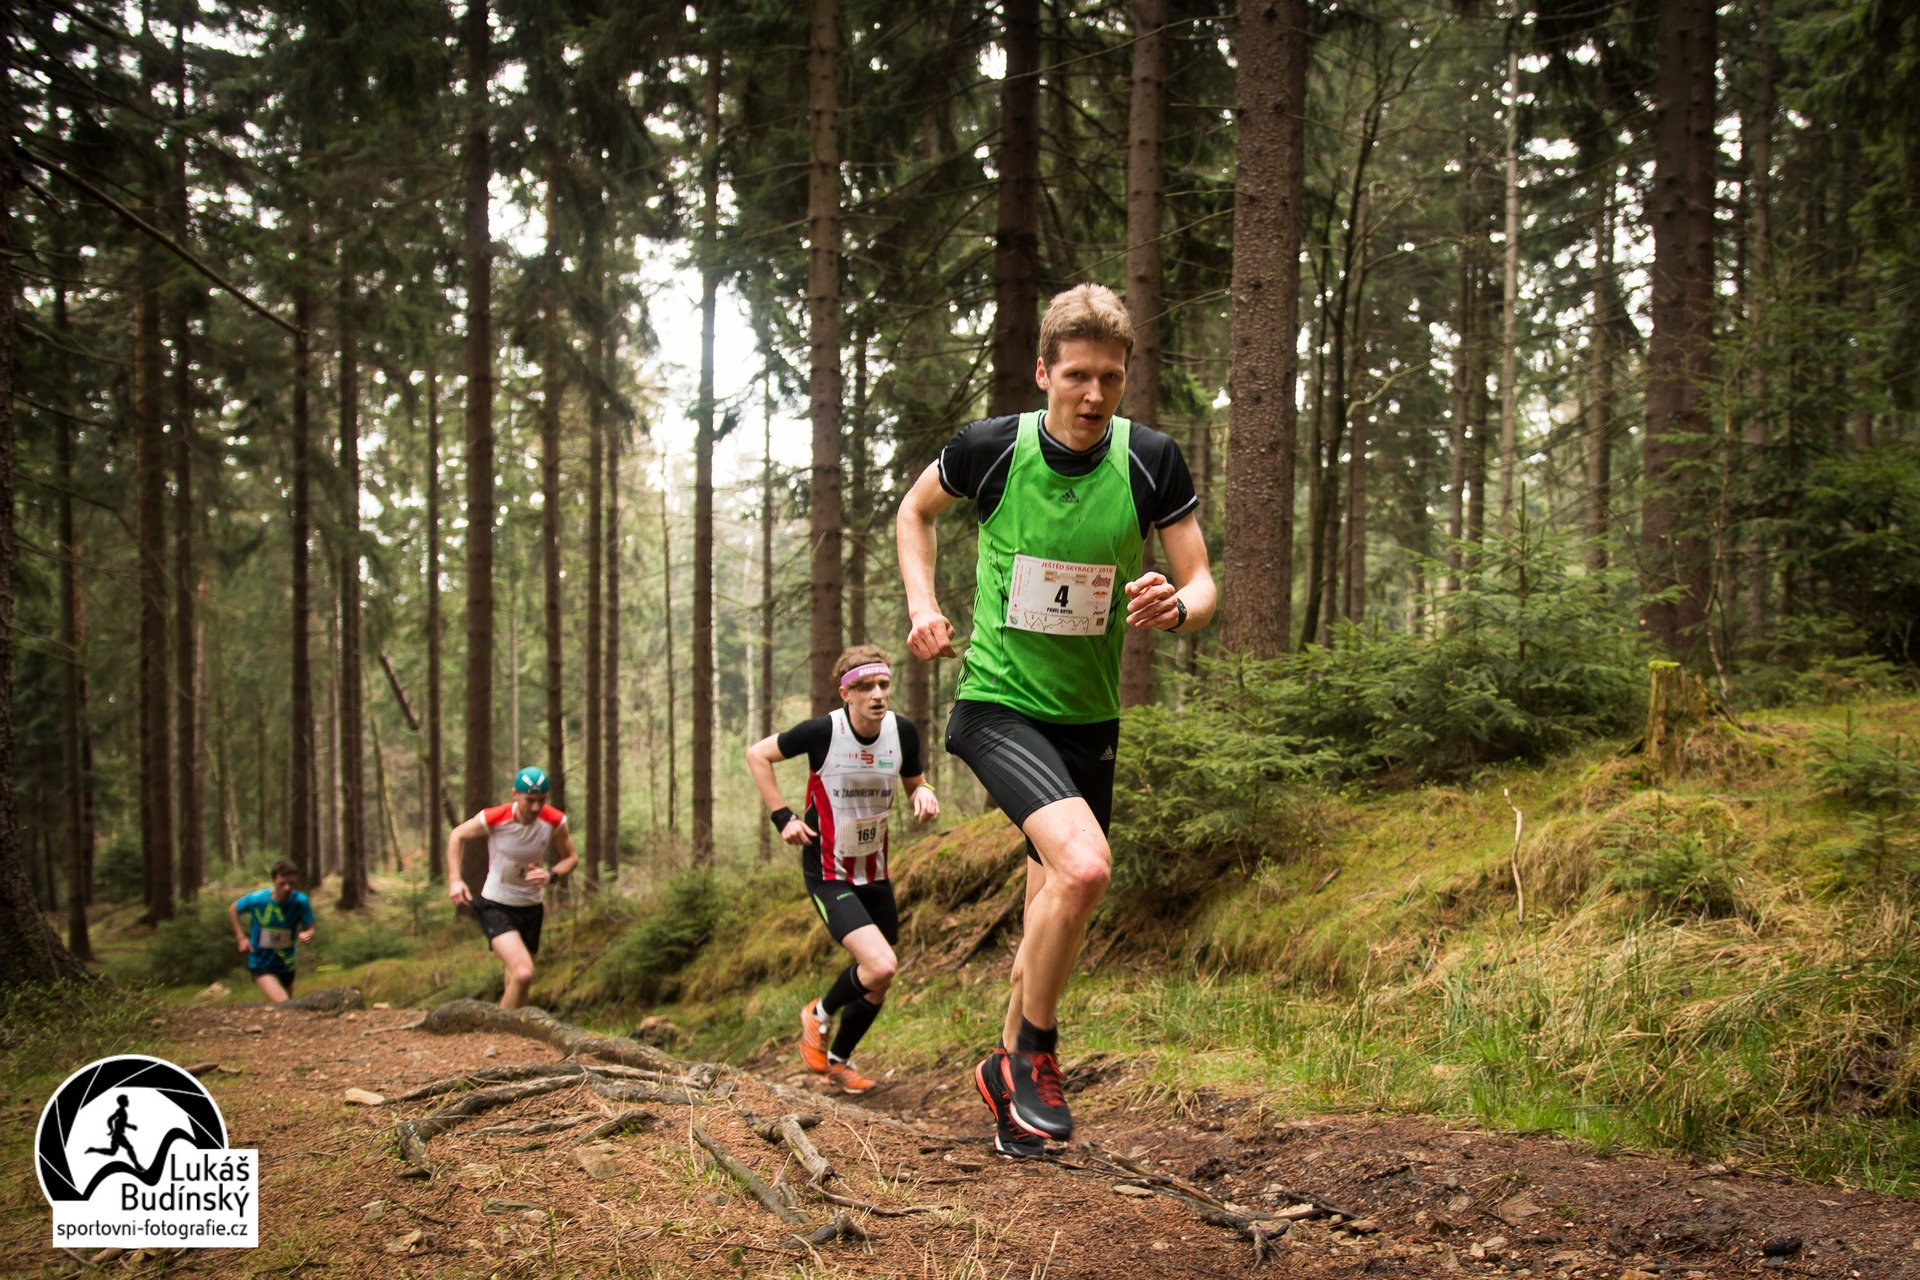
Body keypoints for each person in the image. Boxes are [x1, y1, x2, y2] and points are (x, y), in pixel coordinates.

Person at [896, 283, 1217, 1156]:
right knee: (1083, 871)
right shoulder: (992, 450)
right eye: (1076, 375)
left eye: (1110, 379)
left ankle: (1007, 1091)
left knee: (1049, 900)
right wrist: (924, 604)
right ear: (1043, 373)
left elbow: (1203, 582)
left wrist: (1176, 606)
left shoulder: (1152, 460)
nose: (1092, 396)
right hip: (998, 704)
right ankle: (1034, 1054)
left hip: (1089, 717)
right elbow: (914, 511)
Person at [744, 645, 940, 1094]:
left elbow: (915, 780)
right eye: (865, 687)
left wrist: (923, 793)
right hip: (828, 871)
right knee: (881, 964)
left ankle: (838, 1061)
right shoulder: (822, 732)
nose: (877, 695)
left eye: (884, 685)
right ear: (845, 693)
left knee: (877, 983)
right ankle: (818, 1014)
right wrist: (783, 817)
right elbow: (757, 755)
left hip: (875, 871)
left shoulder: (902, 732)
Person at [446, 766, 578, 1009]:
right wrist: (455, 879)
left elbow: (571, 857)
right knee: (523, 973)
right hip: (495, 905)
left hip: (531, 908)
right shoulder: (495, 817)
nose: (536, 808)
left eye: (541, 800)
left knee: (518, 984)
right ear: (515, 795)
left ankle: (517, 1041)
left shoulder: (555, 821)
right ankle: (495, 1034)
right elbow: (457, 836)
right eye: (530, 800)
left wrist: (551, 875)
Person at [230, 859, 317, 1004]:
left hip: (286, 962)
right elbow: (233, 909)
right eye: (282, 883)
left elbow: (309, 926)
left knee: (288, 1007)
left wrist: (307, 934)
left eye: (291, 884)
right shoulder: (258, 900)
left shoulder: (300, 901)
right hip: (261, 961)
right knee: (284, 1003)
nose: (287, 888)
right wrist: (241, 938)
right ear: (273, 880)